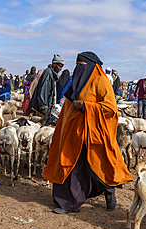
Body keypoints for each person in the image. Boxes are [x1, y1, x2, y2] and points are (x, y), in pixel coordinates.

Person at [43, 51, 132, 214]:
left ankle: (109, 193)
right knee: (73, 165)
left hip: (95, 133)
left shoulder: (101, 82)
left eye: (81, 66)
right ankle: (70, 202)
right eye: (76, 66)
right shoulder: (75, 82)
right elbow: (68, 107)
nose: (78, 69)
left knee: (99, 164)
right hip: (75, 134)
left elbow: (110, 109)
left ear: (91, 66)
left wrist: (85, 106)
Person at [29, 55, 65, 123]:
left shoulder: (52, 74)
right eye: (60, 66)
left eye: (61, 67)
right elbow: (43, 91)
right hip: (42, 109)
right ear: (54, 64)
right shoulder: (48, 73)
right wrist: (44, 107)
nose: (60, 69)